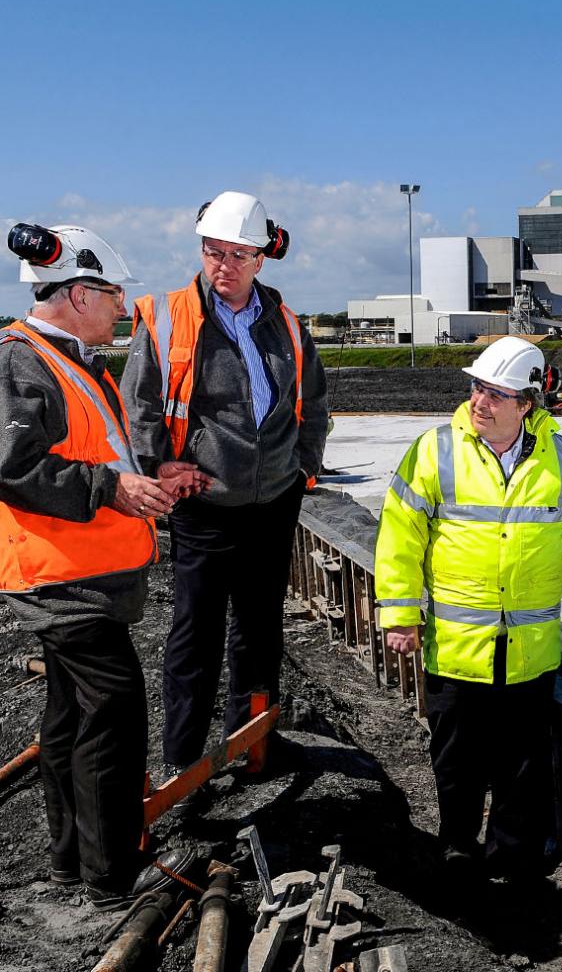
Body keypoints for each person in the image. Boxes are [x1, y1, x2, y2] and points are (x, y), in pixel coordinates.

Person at [374, 336, 562, 886]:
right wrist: (397, 612)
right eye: (477, 388)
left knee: (522, 769)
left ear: (527, 403)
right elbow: (399, 534)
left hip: (529, 655)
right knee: (457, 764)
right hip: (457, 650)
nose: (480, 402)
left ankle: (513, 870)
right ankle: (457, 851)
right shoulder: (435, 450)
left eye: (496, 393)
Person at [0, 223, 204, 905]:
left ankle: (74, 862)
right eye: (111, 292)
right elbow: (9, 467)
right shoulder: (17, 361)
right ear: (76, 294)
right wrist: (112, 489)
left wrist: (153, 474)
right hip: (61, 577)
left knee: (72, 717)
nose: (123, 305)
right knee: (112, 716)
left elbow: (96, 453)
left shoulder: (68, 358)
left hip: (82, 570)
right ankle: (111, 876)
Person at [120, 191, 329, 777]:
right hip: (205, 505)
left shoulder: (284, 321)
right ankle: (184, 762)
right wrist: (158, 466)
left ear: (261, 258)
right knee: (197, 636)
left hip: (274, 503)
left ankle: (252, 743)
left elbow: (312, 401)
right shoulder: (171, 319)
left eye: (238, 254)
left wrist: (303, 466)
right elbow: (137, 407)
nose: (224, 265)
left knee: (261, 629)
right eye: (214, 252)